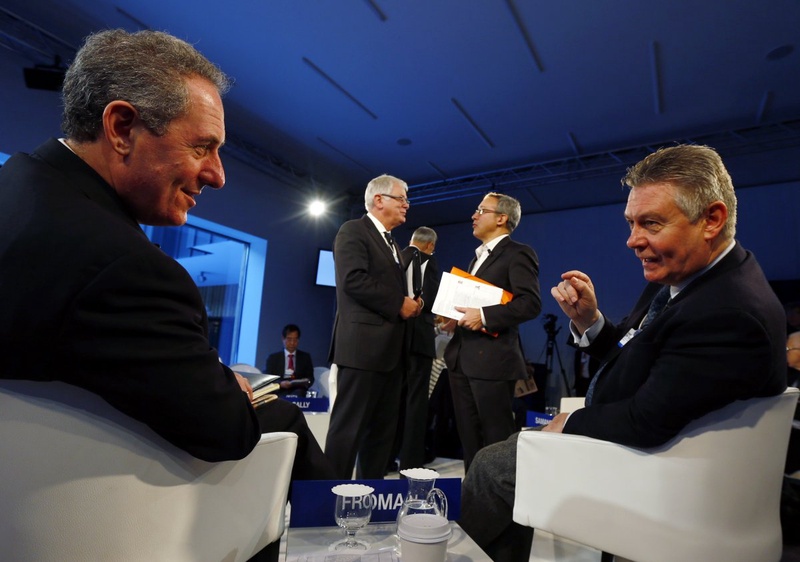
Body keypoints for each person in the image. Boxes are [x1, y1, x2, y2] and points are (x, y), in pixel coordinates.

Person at [0, 30, 334, 487]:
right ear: (121, 128)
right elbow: (226, 430)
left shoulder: (17, 189)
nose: (217, 175)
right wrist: (227, 388)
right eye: (202, 147)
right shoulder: (126, 269)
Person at [458, 144, 787, 562]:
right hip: (646, 447)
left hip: (661, 474)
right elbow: (638, 356)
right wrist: (590, 321)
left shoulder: (729, 312)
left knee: (492, 467)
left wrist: (570, 422)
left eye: (650, 223)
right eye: (631, 223)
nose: (633, 240)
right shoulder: (686, 277)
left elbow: (646, 420)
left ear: (712, 219)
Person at [324, 174, 422, 479]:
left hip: (391, 354)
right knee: (347, 432)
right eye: (401, 198)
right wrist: (400, 303)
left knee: (381, 435)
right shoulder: (353, 230)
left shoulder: (392, 242)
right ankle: (326, 503)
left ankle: (369, 498)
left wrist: (412, 302)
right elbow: (353, 280)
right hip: (362, 351)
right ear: (378, 200)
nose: (407, 205)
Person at [443, 192, 542, 472]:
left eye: (480, 210)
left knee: (495, 439)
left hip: (493, 362)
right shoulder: (477, 258)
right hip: (461, 359)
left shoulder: (518, 253)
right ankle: (474, 503)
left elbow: (530, 303)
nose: (474, 216)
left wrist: (484, 316)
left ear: (501, 218)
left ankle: (500, 508)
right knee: (469, 440)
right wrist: (457, 319)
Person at [393, 226, 440, 470]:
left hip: (395, 339)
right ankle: (411, 463)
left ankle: (387, 459)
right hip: (419, 338)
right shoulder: (428, 261)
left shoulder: (396, 256)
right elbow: (430, 299)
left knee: (392, 400)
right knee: (416, 402)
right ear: (430, 245)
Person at [265, 324, 314, 397]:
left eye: (295, 340)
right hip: (279, 390)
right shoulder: (273, 358)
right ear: (283, 339)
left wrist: (305, 382)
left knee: (299, 394)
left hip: (298, 390)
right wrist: (280, 384)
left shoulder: (305, 357)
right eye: (289, 339)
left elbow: (311, 378)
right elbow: (268, 379)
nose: (292, 343)